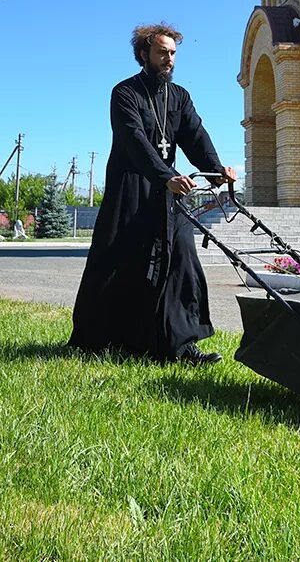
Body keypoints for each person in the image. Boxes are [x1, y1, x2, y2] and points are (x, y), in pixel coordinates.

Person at [70, 23, 238, 364]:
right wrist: (165, 176)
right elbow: (134, 142)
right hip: (130, 187)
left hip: (169, 189)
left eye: (173, 54)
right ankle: (98, 341)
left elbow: (195, 135)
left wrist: (217, 170)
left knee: (182, 260)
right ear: (144, 55)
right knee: (117, 260)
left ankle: (181, 346)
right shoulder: (125, 93)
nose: (169, 60)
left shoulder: (179, 97)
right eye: (163, 53)